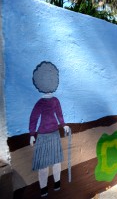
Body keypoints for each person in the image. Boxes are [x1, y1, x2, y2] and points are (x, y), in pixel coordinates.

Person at [29, 61, 71, 197]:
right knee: (44, 165)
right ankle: (43, 188)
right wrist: (32, 134)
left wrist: (64, 125)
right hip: (44, 135)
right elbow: (34, 118)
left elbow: (59, 115)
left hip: (53, 134)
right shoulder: (40, 103)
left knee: (56, 162)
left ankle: (57, 183)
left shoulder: (55, 101)